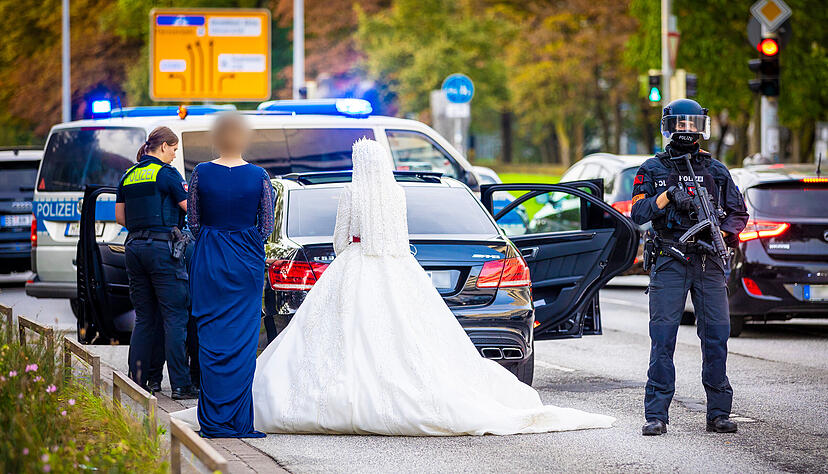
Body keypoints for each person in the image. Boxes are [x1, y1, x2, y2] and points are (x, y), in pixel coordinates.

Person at [174, 138, 614, 435]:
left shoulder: (349, 195)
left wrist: (352, 248)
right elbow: (398, 238)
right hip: (398, 269)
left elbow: (340, 240)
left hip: (354, 269)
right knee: (409, 339)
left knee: (340, 340)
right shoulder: (398, 196)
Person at [630, 99, 748, 436]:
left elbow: (738, 213)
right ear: (669, 127)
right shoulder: (652, 169)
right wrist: (668, 197)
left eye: (692, 124)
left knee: (716, 337)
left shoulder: (716, 170)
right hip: (670, 258)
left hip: (708, 260)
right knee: (663, 337)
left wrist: (721, 234)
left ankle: (719, 413)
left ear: (701, 127)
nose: (686, 130)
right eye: (680, 124)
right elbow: (638, 214)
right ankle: (656, 415)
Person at [186, 112, 273, 438]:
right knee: (242, 340)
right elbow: (266, 226)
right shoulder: (259, 176)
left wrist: (214, 237)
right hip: (245, 262)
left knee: (209, 337)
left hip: (209, 259)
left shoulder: (201, 173)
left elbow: (193, 223)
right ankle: (237, 421)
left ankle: (212, 420)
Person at [115, 126, 199, 399]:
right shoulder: (166, 174)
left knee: (145, 318)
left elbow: (120, 218)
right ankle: (180, 385)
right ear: (163, 146)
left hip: (134, 248)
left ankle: (141, 380)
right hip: (163, 249)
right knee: (175, 316)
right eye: (174, 149)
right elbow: (190, 209)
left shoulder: (128, 175)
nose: (174, 155)